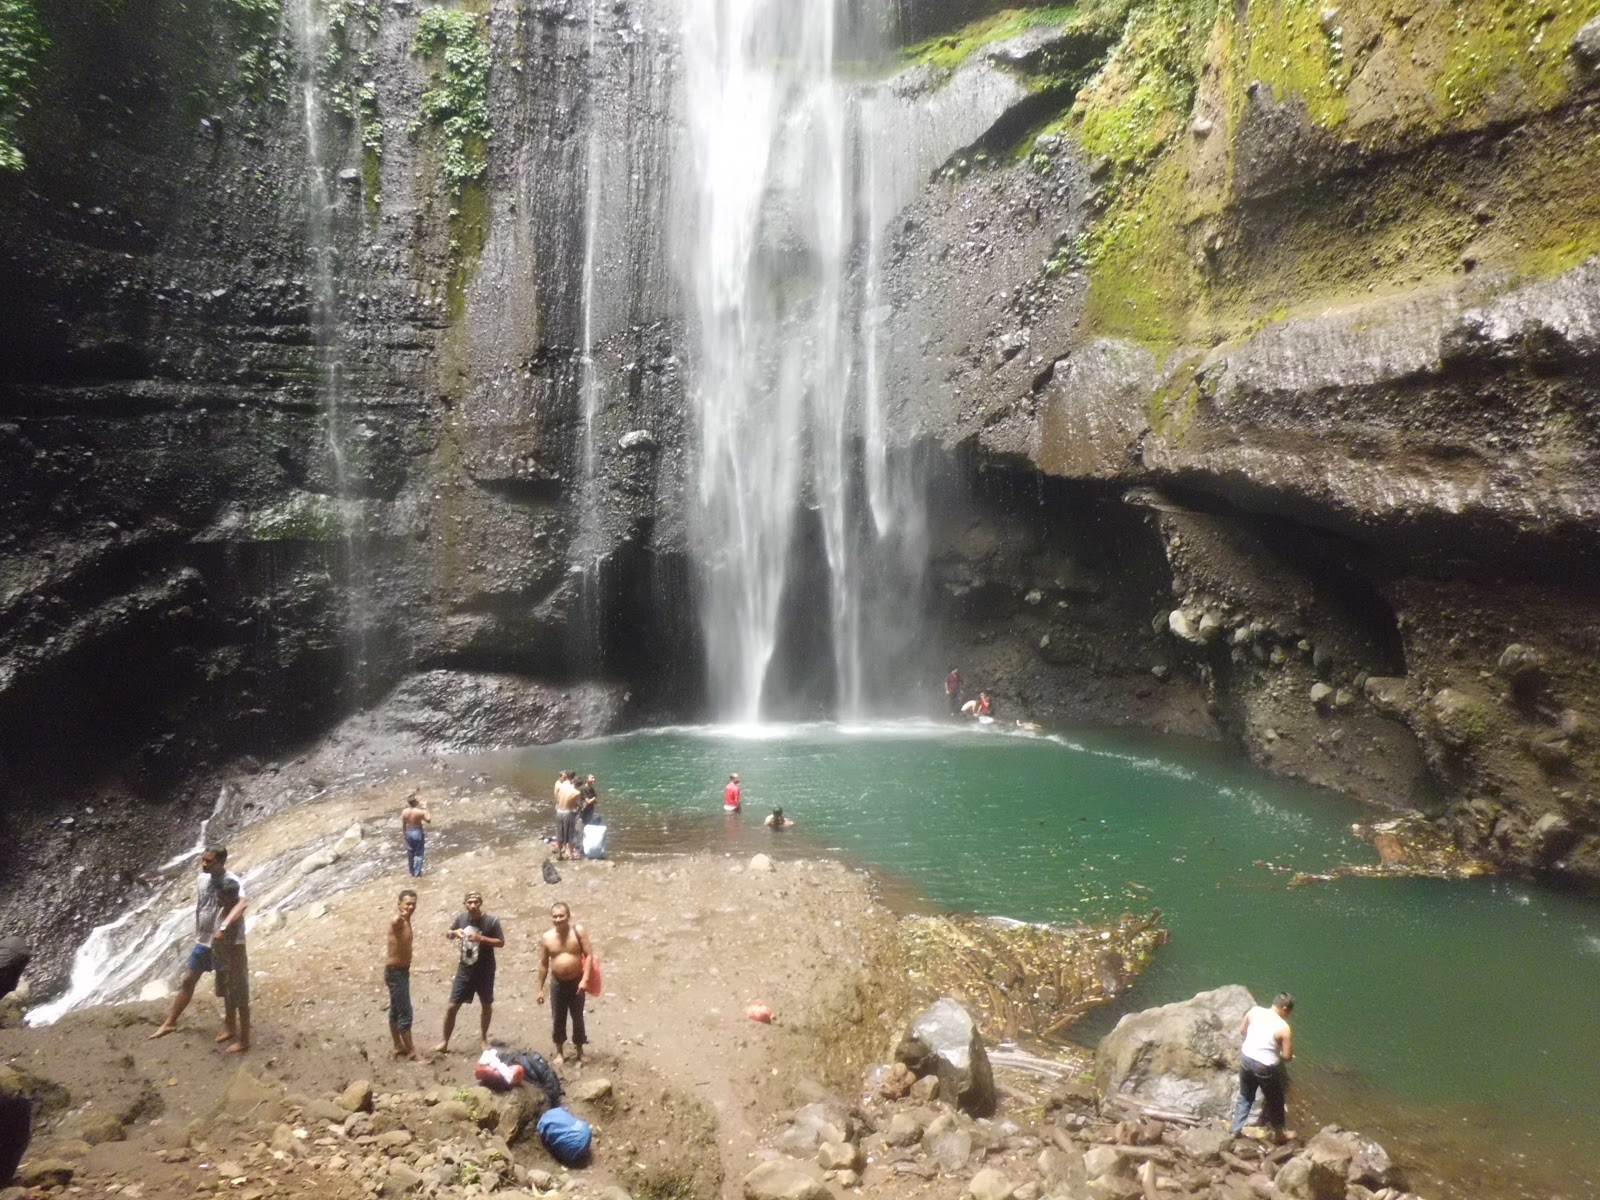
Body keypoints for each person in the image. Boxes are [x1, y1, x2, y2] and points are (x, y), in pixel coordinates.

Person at [149, 845, 250, 1052]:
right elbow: (201, 905)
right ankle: (170, 1022)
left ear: (221, 862)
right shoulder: (202, 879)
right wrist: (198, 929)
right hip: (204, 940)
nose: (204, 864)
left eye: (209, 861)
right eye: (203, 860)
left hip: (223, 942)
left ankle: (231, 1027)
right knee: (188, 979)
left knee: (228, 987)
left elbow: (242, 903)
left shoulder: (231, 882)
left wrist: (223, 926)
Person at [436, 891, 505, 1053]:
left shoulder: (491, 921)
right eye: (469, 902)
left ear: (480, 903)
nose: (472, 905)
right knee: (452, 1006)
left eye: (475, 902)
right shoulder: (461, 918)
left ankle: (483, 1038)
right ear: (465, 904)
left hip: (485, 969)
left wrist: (482, 939)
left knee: (486, 1004)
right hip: (465, 969)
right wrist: (454, 932)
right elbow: (448, 933)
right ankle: (445, 1041)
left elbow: (501, 942)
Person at [1231, 992, 1295, 1141]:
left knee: (1245, 1096)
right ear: (1285, 1008)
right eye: (1289, 1012)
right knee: (1276, 1100)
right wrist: (1276, 1049)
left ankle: (1235, 1129)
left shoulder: (1254, 1011)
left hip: (1246, 1059)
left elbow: (1243, 1031)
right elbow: (1287, 1057)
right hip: (1265, 1067)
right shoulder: (1283, 1028)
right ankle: (1280, 1134)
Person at [536, 901, 593, 1067]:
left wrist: (585, 979)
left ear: (568, 916)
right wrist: (540, 989)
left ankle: (580, 1050)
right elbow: (543, 964)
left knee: (578, 1017)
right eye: (555, 916)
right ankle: (560, 1052)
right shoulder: (547, 937)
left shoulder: (578, 932)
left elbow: (589, 955)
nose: (558, 919)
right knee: (558, 1018)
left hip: (577, 981)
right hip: (557, 983)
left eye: (561, 916)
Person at [385, 889, 429, 1063]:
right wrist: (400, 916)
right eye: (407, 904)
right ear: (399, 904)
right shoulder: (399, 921)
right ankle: (412, 1052)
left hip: (399, 972)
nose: (410, 907)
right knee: (405, 1012)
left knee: (396, 1010)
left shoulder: (407, 921)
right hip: (396, 973)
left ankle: (397, 1045)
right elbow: (394, 921)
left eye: (413, 904)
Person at [401, 793, 431, 877]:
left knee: (410, 853)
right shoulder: (419, 812)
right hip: (417, 831)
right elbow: (428, 820)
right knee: (419, 853)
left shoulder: (404, 811)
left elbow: (403, 824)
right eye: (417, 800)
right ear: (414, 802)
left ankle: (411, 871)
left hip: (409, 831)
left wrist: (404, 834)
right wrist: (425, 807)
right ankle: (417, 873)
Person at [554, 772, 583, 861]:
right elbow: (578, 804)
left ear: (573, 781)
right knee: (570, 834)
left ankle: (559, 853)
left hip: (559, 811)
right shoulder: (577, 792)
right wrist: (578, 806)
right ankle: (570, 855)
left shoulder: (563, 786)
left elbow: (558, 797)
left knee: (559, 833)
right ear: (579, 785)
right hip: (567, 813)